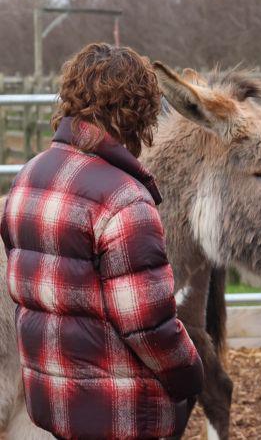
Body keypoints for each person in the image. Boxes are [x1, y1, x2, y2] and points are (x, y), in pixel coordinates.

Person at [1, 43, 203, 439]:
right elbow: (148, 326)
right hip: (117, 413)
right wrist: (192, 375)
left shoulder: (27, 178)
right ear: (140, 112)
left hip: (49, 402)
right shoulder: (124, 201)